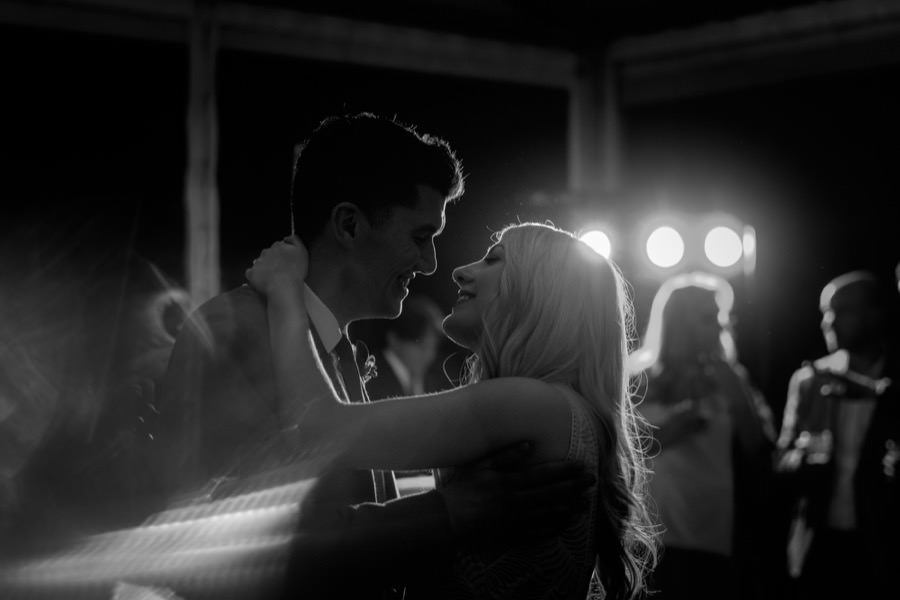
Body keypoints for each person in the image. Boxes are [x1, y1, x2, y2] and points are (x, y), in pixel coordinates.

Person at [155, 113, 592, 599]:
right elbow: (227, 547)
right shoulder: (235, 332)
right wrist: (446, 513)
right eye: (420, 237)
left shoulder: (325, 345)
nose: (430, 264)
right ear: (348, 224)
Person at [246, 221, 659, 600]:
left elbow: (320, 429)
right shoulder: (561, 409)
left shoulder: (530, 404)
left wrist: (285, 292)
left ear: (540, 290)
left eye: (494, 259)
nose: (461, 270)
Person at [627, 271, 777, 600]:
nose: (720, 327)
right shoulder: (639, 378)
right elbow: (617, 451)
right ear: (679, 323)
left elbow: (757, 449)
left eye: (720, 318)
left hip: (710, 530)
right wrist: (665, 434)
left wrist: (736, 395)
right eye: (708, 318)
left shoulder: (730, 377)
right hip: (649, 532)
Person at [775, 270, 900, 599]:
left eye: (840, 310)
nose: (827, 322)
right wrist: (800, 460)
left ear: (875, 314)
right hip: (821, 539)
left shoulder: (895, 380)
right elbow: (782, 457)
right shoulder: (809, 379)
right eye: (825, 313)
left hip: (884, 541)